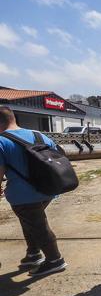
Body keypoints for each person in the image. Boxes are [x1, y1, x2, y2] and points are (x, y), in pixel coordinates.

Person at [0, 106, 67, 276]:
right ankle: (33, 253)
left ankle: (55, 260)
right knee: (29, 221)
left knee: (37, 225)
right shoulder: (39, 135)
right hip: (48, 189)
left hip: (23, 195)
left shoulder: (1, 141)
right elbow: (58, 155)